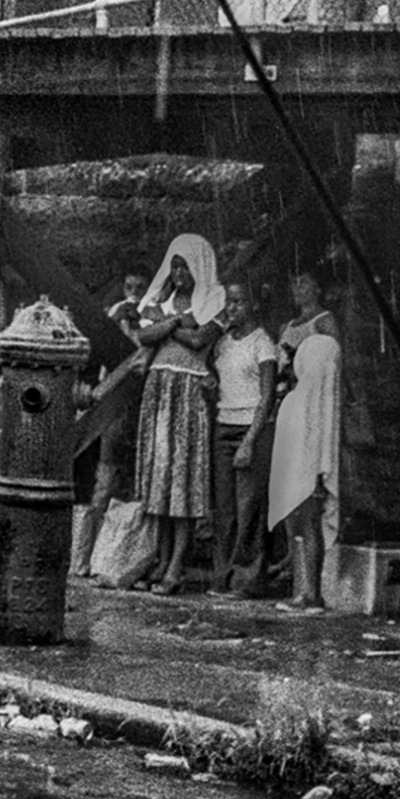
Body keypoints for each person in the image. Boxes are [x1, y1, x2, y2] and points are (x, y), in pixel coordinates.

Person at [131, 233, 226, 595]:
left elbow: (202, 339)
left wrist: (165, 327)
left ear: (199, 266)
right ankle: (161, 558)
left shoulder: (213, 299)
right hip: (159, 393)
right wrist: (176, 323)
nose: (179, 272)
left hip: (188, 394)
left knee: (183, 480)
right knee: (161, 477)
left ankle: (176, 566)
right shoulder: (166, 301)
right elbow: (145, 336)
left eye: (184, 265)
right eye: (174, 265)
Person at [75, 269, 151, 576]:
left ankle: (125, 558)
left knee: (135, 484)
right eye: (129, 286)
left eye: (140, 287)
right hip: (112, 405)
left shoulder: (150, 319)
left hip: (142, 406)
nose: (133, 292)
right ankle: (88, 555)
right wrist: (117, 319)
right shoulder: (114, 315)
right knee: (105, 480)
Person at [209, 280, 280, 597]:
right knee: (225, 509)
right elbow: (218, 380)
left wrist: (251, 440)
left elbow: (267, 396)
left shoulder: (262, 342)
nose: (231, 307)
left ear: (252, 304)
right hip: (223, 426)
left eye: (238, 301)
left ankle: (248, 580)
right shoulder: (222, 342)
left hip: (252, 428)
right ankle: (223, 576)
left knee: (249, 506)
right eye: (228, 302)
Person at [268, 329, 340, 610]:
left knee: (309, 527)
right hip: (305, 472)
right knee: (305, 528)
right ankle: (308, 591)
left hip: (307, 474)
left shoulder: (308, 400)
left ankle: (312, 593)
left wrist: (317, 477)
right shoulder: (320, 398)